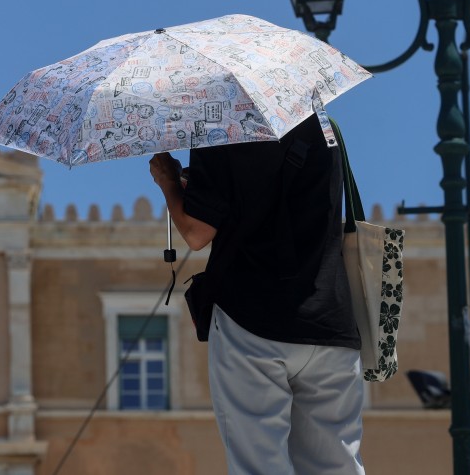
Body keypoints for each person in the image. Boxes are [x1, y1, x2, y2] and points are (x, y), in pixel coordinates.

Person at [149, 114, 364, 475]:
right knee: (337, 467)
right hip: (330, 322)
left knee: (260, 466)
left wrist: (169, 182)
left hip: (251, 321)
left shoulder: (219, 125)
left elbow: (197, 233)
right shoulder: (324, 125)